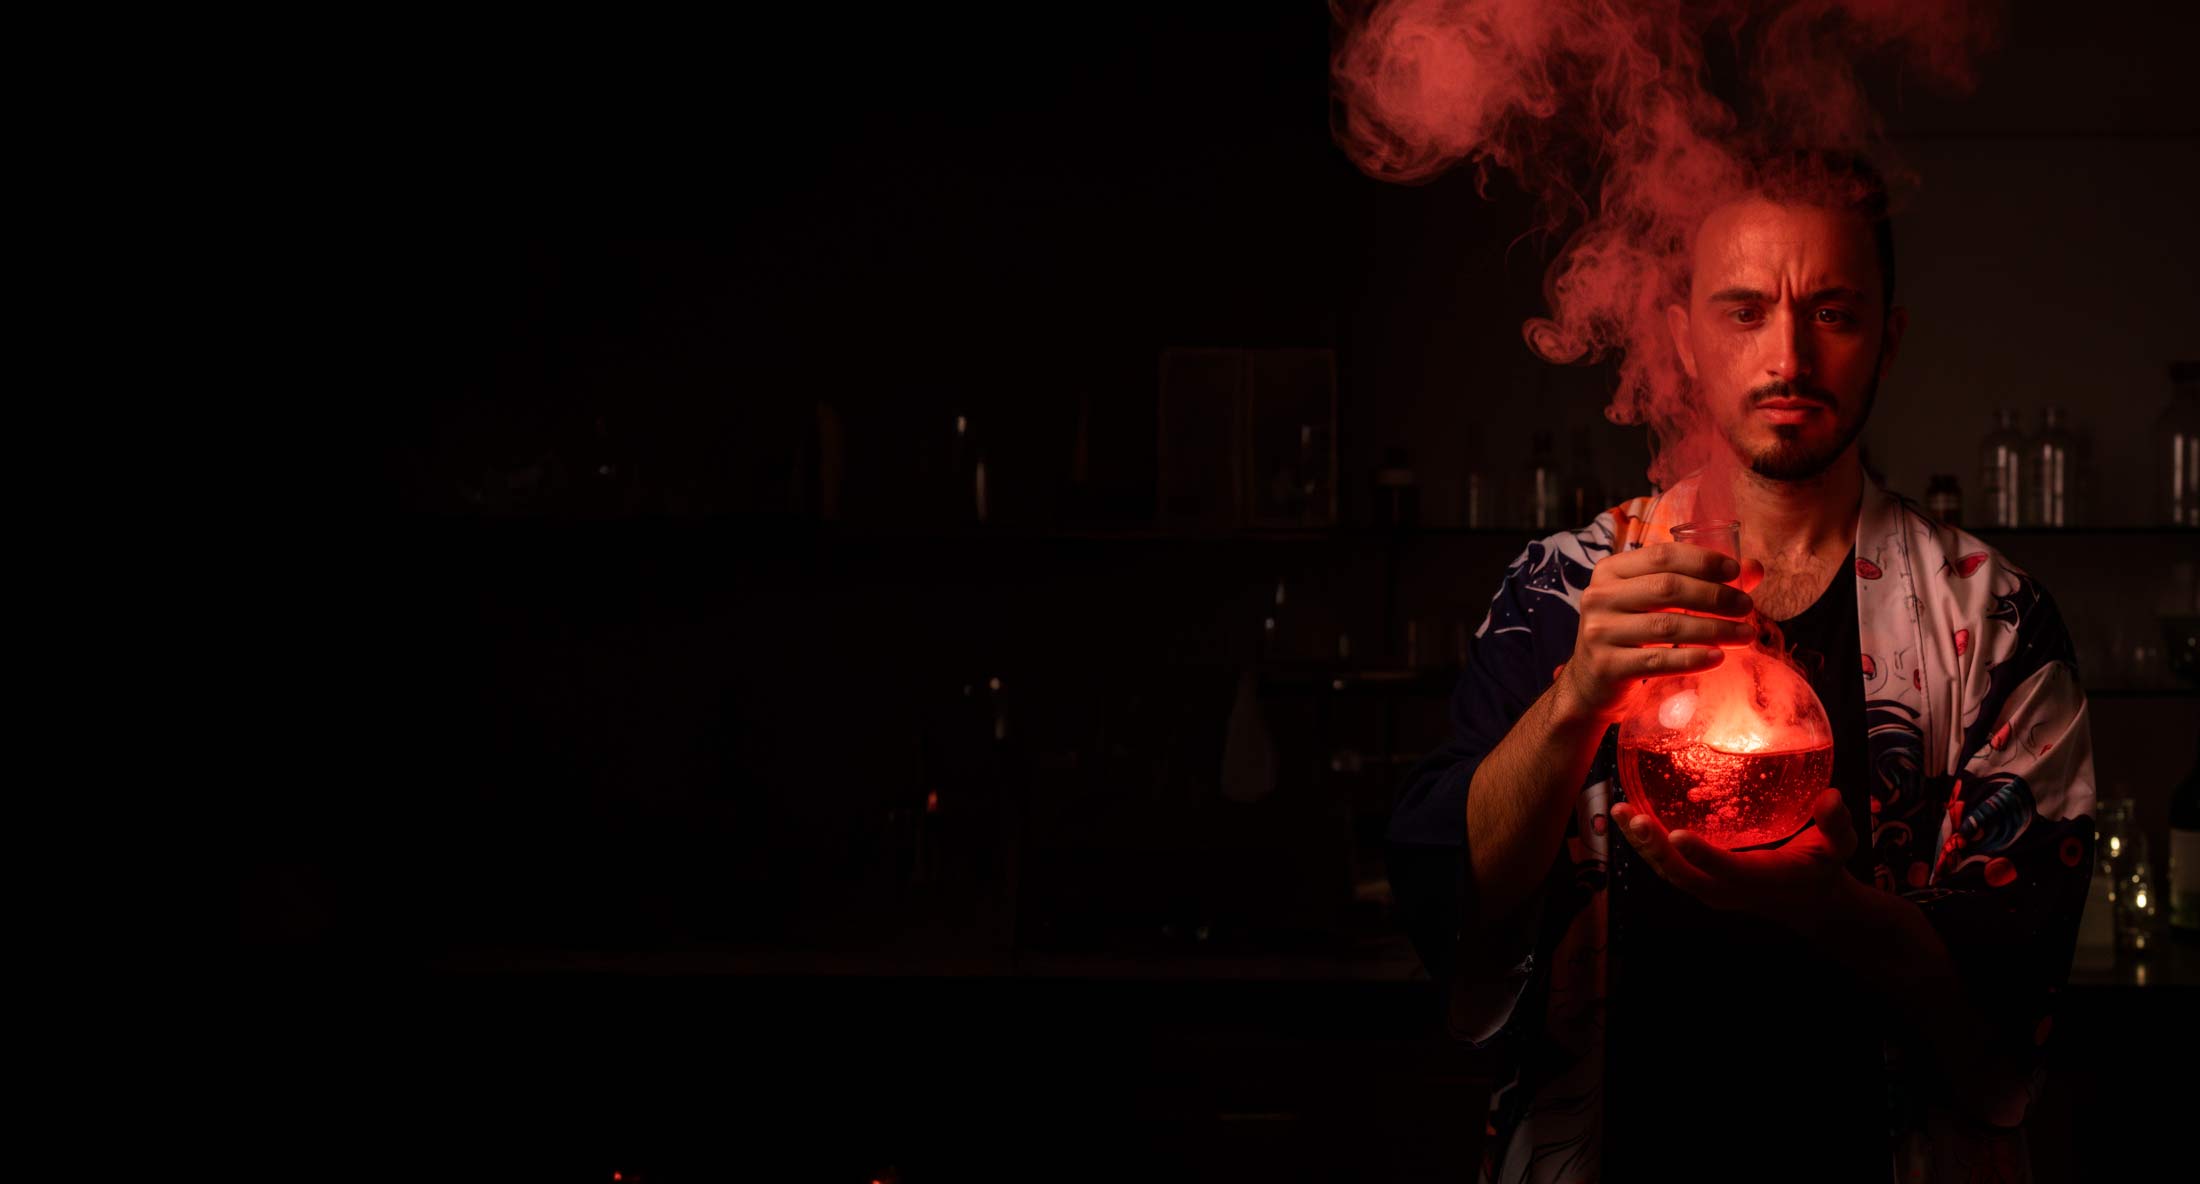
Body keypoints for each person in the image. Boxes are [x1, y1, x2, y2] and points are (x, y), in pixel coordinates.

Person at [1387, 152, 2096, 1183]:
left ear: (1889, 337)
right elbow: (1449, 897)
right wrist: (1576, 696)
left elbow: (2011, 1010)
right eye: (1744, 311)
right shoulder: (1563, 590)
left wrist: (1835, 913)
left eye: (1833, 312)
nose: (1788, 357)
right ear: (1683, 336)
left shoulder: (1995, 622)